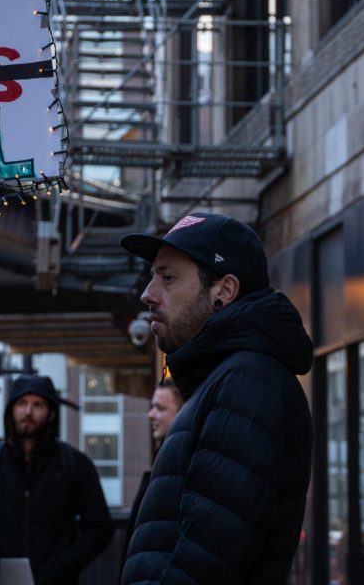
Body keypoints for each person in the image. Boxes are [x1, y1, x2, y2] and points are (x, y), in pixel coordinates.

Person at [119, 212, 314, 584]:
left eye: (168, 278)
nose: (148, 294)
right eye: (153, 276)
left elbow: (205, 563)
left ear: (223, 291)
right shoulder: (226, 378)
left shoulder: (248, 383)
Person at [0, 374, 112, 585]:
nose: (28, 412)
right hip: (1, 578)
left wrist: (66, 564)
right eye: (22, 403)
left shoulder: (74, 464)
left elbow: (100, 528)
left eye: (38, 404)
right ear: (11, 410)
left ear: (51, 413)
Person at [120, 378, 183, 578]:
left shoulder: (178, 469)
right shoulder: (161, 467)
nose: (150, 414)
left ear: (182, 413)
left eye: (160, 408)